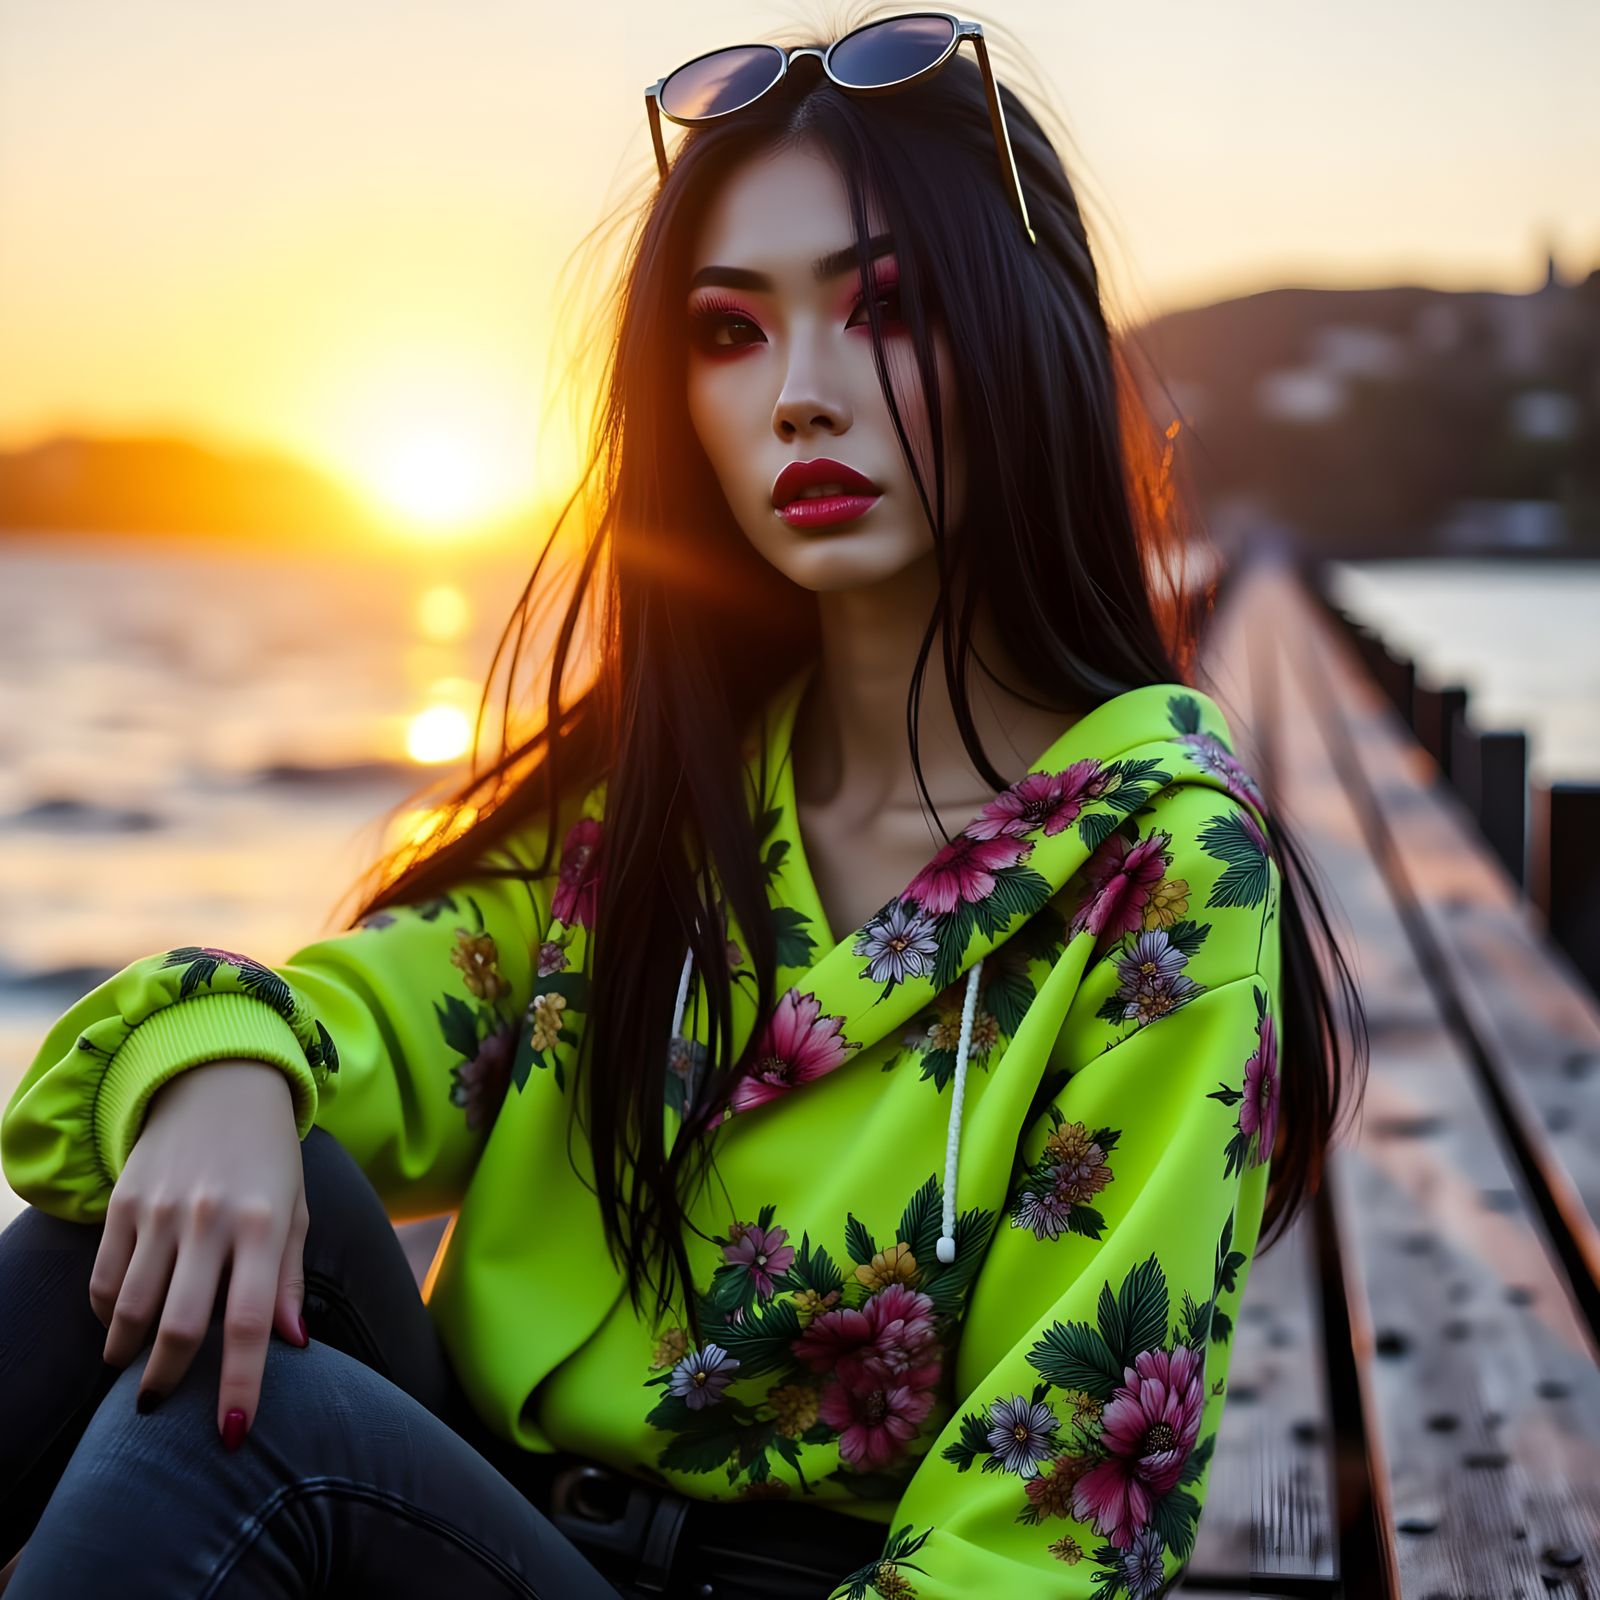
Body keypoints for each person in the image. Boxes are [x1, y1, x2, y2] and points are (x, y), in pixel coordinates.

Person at [0, 13, 1366, 1599]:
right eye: (731, 333)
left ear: (1026, 339)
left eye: (888, 312)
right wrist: (219, 1064)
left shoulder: (1163, 862)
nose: (801, 395)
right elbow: (373, 1016)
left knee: (239, 1431)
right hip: (487, 1524)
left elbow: (1052, 1525)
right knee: (170, 1219)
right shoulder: (655, 798)